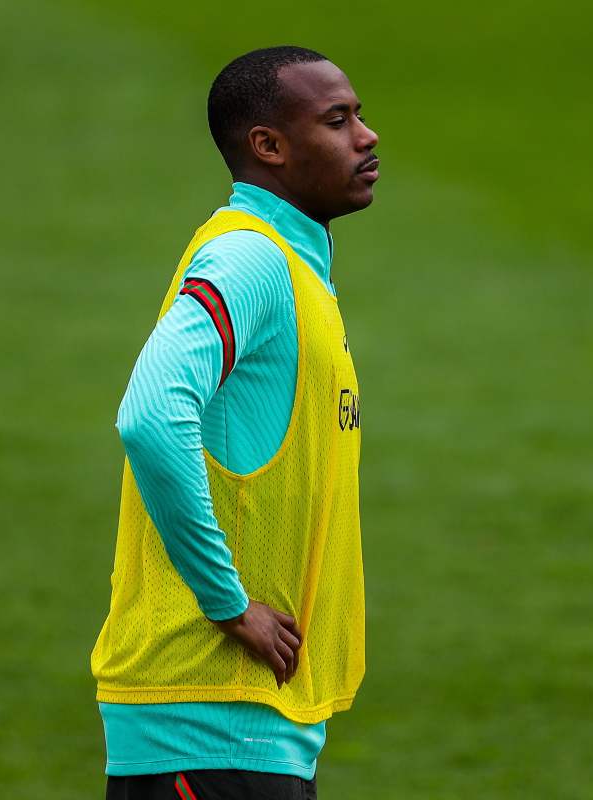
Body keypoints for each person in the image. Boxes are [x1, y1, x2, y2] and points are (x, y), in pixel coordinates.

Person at [90, 46, 380, 800]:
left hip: (249, 729)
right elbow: (152, 414)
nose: (367, 136)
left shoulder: (295, 267)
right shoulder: (250, 259)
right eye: (338, 121)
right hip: (207, 718)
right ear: (269, 146)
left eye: (359, 116)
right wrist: (229, 603)